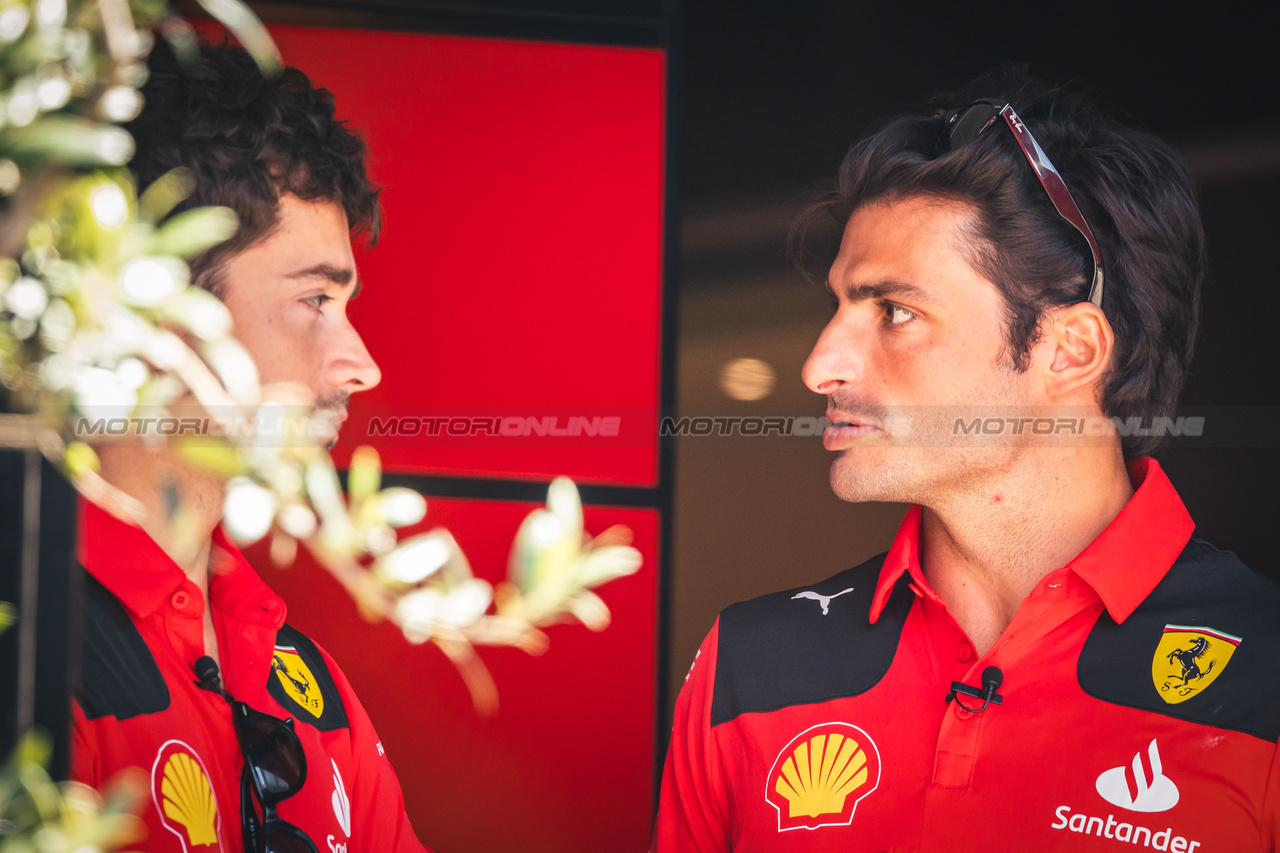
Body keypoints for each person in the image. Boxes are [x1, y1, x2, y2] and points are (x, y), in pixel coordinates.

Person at [655, 67, 1280, 852]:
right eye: (838, 307)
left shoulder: (1266, 672)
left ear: (1067, 351)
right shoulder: (747, 668)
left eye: (894, 311)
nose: (820, 366)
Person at [71, 42, 429, 852]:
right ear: (161, 317)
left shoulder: (310, 684)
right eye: (314, 298)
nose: (362, 365)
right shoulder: (33, 652)